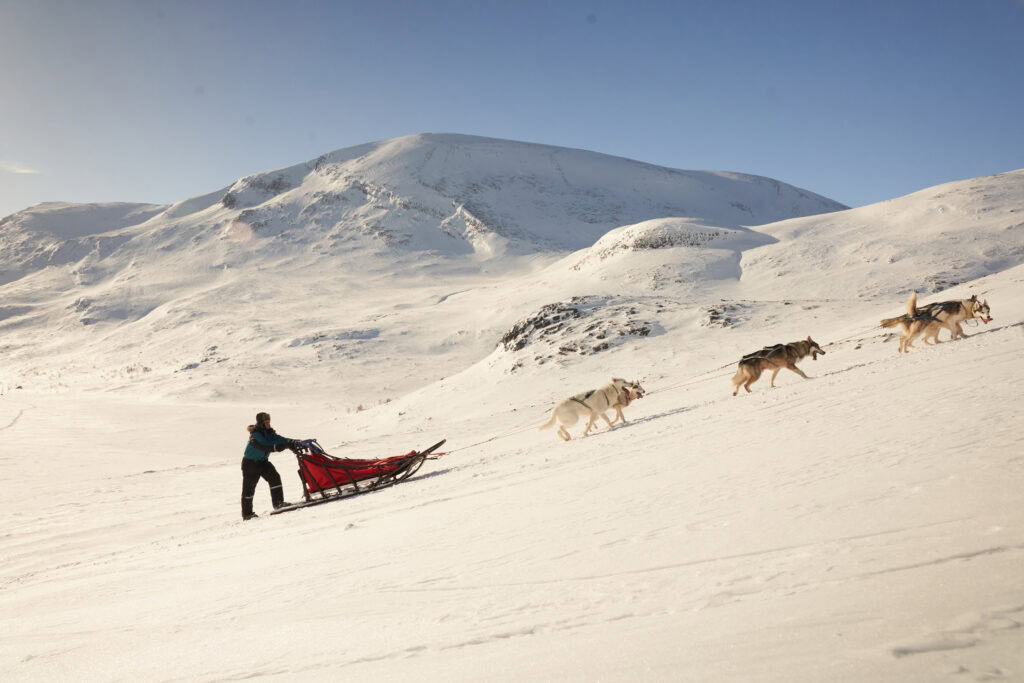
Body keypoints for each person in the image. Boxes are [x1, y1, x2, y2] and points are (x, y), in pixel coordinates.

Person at [241, 411, 298, 520]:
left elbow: (279, 438)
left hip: (263, 462)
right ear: (261, 423)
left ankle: (278, 503)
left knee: (275, 478)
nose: (268, 424)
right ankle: (247, 514)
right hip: (250, 464)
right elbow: (265, 445)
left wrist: (292, 441)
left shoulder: (269, 432)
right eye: (266, 422)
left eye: (269, 421)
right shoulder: (256, 435)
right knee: (249, 488)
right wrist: (279, 447)